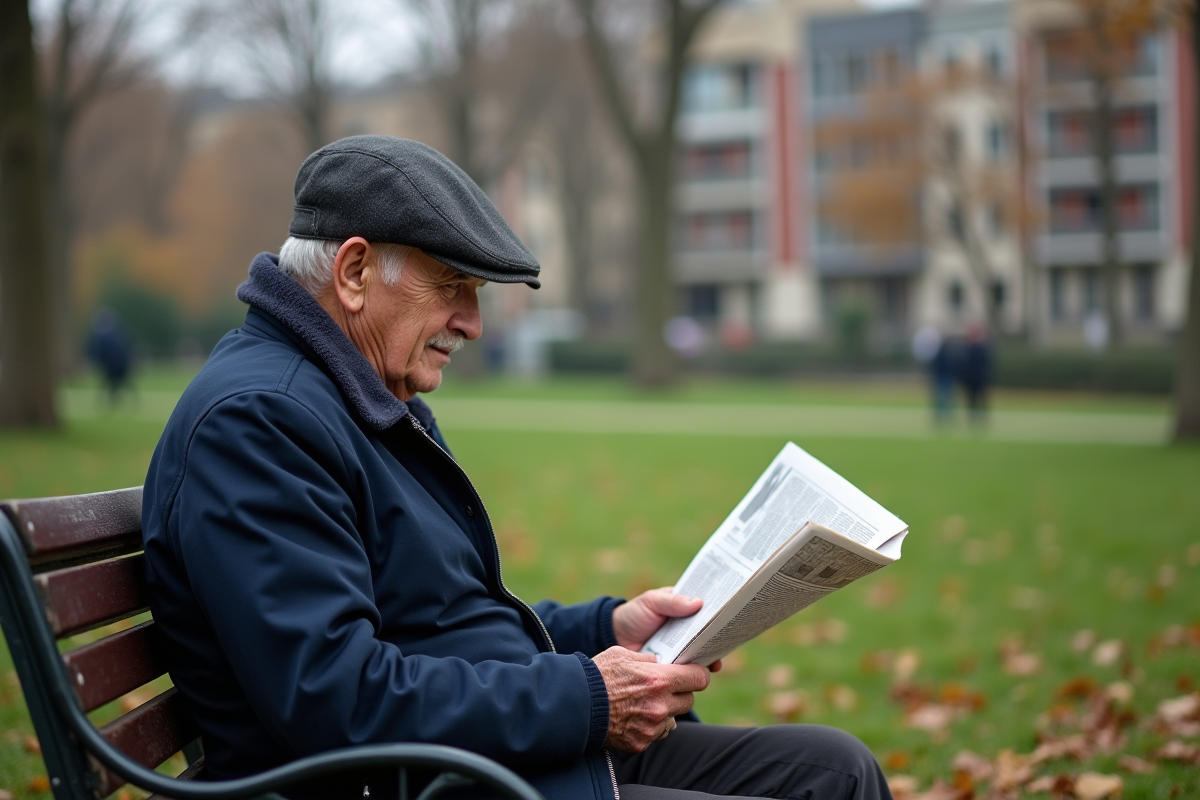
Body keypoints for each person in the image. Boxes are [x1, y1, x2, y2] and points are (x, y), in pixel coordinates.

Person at [142, 136, 892, 800]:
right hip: (433, 780)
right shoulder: (260, 420)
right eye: (452, 287)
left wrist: (608, 630)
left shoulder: (355, 397)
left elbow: (442, 620)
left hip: (495, 761)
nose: (471, 322)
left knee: (834, 769)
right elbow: (337, 697)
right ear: (355, 271)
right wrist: (589, 698)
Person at [86, 306, 133, 404]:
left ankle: (109, 402)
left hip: (113, 364)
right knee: (117, 383)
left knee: (113, 383)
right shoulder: (116, 332)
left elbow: (99, 352)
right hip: (118, 364)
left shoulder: (105, 335)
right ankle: (114, 401)